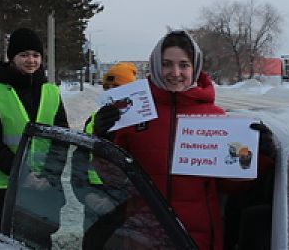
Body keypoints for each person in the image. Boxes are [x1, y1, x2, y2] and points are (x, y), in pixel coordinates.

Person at [95, 30, 275, 250]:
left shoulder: (215, 117)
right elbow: (111, 178)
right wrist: (103, 138)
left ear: (195, 67)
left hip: (194, 239)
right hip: (142, 235)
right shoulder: (133, 115)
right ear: (155, 65)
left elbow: (229, 185)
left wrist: (259, 156)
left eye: (184, 65)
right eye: (167, 64)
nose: (175, 72)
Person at [0, 28, 68, 246]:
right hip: (8, 188)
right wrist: (23, 174)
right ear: (12, 58)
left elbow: (62, 139)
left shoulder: (52, 92)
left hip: (44, 186)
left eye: (36, 55)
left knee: (42, 241)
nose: (31, 60)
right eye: (24, 55)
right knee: (13, 243)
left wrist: (48, 175)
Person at [71, 62, 137, 250]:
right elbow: (79, 162)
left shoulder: (140, 124)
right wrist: (86, 195)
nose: (109, 93)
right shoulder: (93, 120)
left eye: (116, 88)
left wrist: (116, 199)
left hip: (125, 210)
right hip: (94, 206)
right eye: (106, 88)